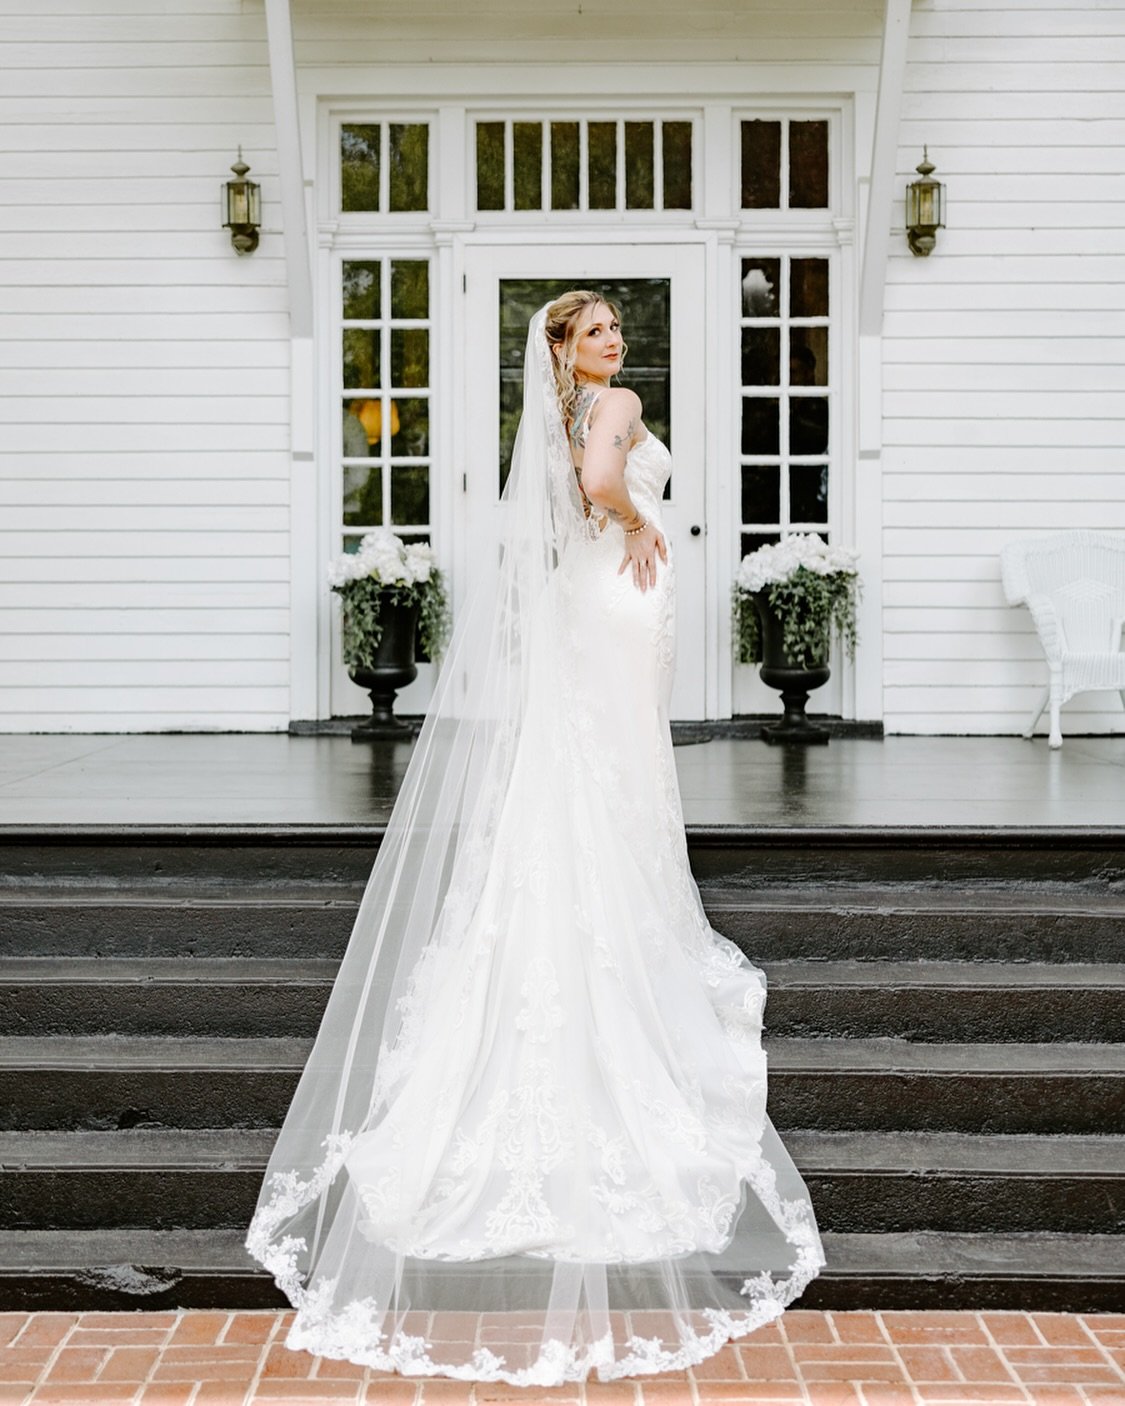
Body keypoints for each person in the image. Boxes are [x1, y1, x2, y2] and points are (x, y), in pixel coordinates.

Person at [246, 292, 825, 1386]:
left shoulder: (560, 420)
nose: (613, 340)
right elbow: (607, 488)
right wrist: (646, 523)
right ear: (563, 349)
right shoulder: (615, 408)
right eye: (594, 328)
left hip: (584, 604)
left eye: (616, 326)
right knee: (618, 775)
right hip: (613, 600)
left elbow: (567, 502)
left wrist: (614, 520)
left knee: (584, 779)